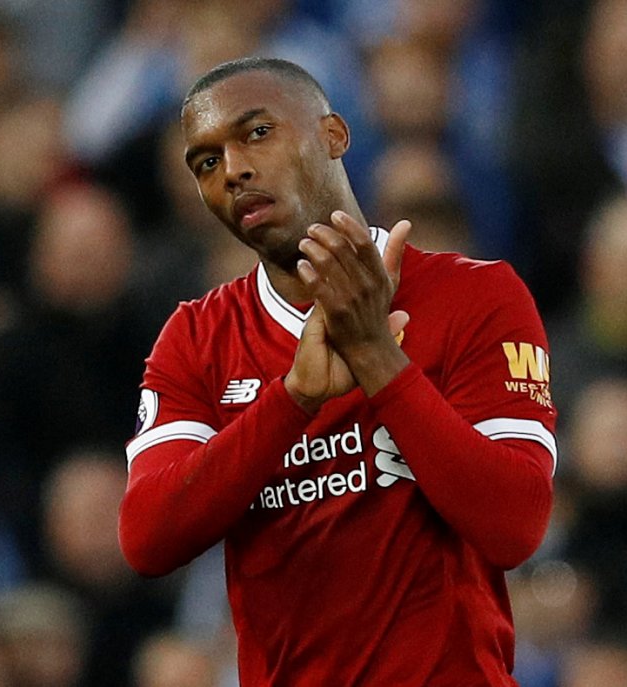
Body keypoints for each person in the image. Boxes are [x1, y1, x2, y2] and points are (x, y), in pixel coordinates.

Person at [118, 57, 557, 685]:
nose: (234, 169)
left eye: (257, 133)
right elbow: (147, 538)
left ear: (334, 135)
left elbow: (515, 526)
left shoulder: (476, 296)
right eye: (207, 162)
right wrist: (292, 400)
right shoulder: (196, 337)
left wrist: (377, 356)